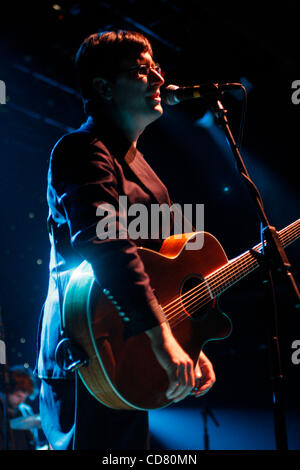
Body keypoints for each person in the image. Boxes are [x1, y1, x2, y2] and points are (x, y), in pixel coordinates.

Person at [35, 30, 216, 450]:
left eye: (157, 67)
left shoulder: (147, 174)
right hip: (87, 351)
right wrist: (163, 338)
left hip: (133, 352)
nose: (158, 78)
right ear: (103, 87)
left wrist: (187, 340)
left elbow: (160, 271)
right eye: (142, 69)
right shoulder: (81, 150)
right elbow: (108, 246)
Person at [0, 366, 37, 450]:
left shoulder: (25, 411)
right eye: (18, 396)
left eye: (25, 397)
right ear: (8, 391)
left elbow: (32, 442)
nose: (21, 401)